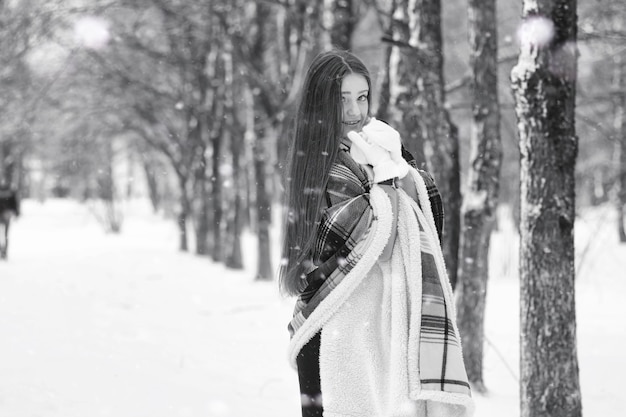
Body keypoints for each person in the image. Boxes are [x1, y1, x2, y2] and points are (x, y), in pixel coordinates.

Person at [279, 50, 474, 417]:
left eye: (362, 97)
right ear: (322, 103)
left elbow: (424, 215)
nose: (355, 112)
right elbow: (377, 246)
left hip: (371, 335)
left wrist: (396, 166)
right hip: (330, 331)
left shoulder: (376, 149)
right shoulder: (326, 165)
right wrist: (386, 176)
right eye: (342, 99)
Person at [0, 179, 19, 260]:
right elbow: (14, 202)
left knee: (4, 234)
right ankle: (3, 251)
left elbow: (14, 202)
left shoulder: (11, 190)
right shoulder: (11, 190)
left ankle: (4, 251)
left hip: (6, 214)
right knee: (4, 234)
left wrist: (16, 212)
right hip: (6, 213)